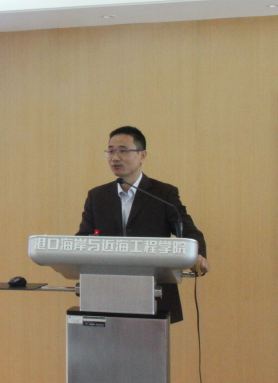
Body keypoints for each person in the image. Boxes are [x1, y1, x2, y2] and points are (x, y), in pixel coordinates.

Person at [76, 126, 208, 323]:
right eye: (110, 151)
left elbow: (189, 231)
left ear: (142, 155)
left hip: (153, 292)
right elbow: (83, 238)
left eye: (123, 150)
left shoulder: (163, 194)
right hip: (107, 292)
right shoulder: (97, 196)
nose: (115, 158)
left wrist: (198, 255)